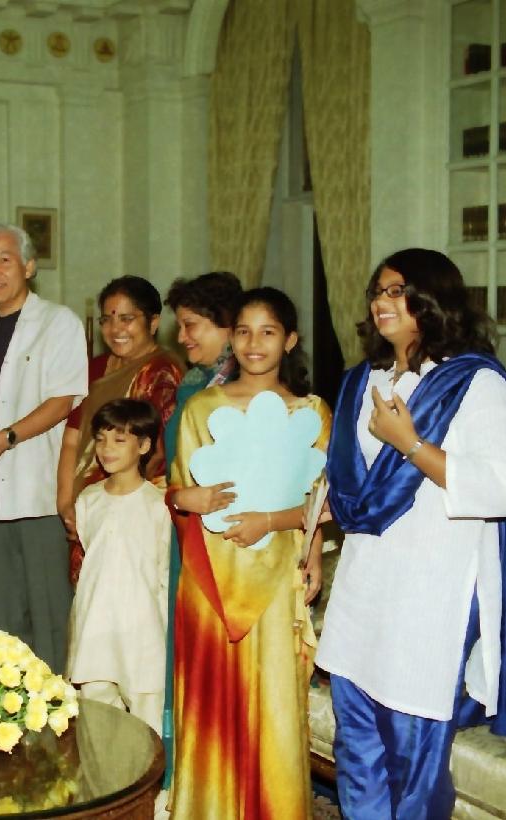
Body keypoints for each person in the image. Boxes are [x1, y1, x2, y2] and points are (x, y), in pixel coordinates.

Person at [317, 248, 506, 818]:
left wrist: (412, 444)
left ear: (433, 300)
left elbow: (504, 489)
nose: (382, 301)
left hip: (429, 593)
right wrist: (319, 511)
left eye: (398, 291)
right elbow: (350, 478)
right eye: (378, 291)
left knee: (412, 758)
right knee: (357, 746)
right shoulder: (363, 381)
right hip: (363, 585)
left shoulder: (475, 383)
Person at [169, 287, 330, 819]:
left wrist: (300, 546)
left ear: (290, 340)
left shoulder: (311, 412)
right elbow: (175, 490)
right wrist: (184, 498)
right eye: (243, 331)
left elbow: (322, 503)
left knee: (276, 704)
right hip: (210, 578)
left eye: (268, 332)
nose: (254, 343)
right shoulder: (201, 408)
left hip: (279, 576)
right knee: (213, 703)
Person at [0, 223, 88, 673]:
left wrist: (6, 437)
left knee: (49, 615)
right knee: (4, 621)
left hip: (38, 492)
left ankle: (56, 709)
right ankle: (10, 709)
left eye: (4, 260)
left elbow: (63, 399)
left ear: (29, 266)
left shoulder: (58, 323)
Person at [158, 270, 243, 787]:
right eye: (181, 325)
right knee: (183, 647)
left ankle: (221, 774)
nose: (184, 336)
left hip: (227, 538)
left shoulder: (246, 388)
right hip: (184, 529)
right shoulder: (194, 381)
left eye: (193, 326)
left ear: (227, 325)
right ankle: (187, 772)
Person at [56, 275, 182, 583]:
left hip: (133, 512)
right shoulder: (95, 368)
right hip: (86, 506)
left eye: (127, 319)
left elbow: (158, 454)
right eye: (107, 320)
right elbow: (72, 440)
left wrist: (111, 504)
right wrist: (66, 502)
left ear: (153, 322)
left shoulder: (162, 372)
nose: (115, 329)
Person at [66, 398, 169, 734]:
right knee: (97, 719)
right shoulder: (88, 500)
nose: (106, 448)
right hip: (96, 628)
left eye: (119, 440)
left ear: (144, 445)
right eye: (101, 439)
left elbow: (164, 573)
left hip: (142, 632)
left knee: (147, 721)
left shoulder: (158, 505)